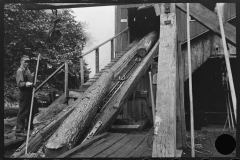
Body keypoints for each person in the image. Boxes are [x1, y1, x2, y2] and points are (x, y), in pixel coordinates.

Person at [15, 55, 39, 136]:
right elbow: (19, 84)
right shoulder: (20, 71)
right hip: (24, 94)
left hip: (30, 93)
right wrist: (27, 83)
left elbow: (31, 80)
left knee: (32, 111)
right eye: (25, 61)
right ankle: (19, 130)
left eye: (28, 61)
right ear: (21, 61)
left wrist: (32, 77)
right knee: (23, 112)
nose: (27, 63)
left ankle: (29, 127)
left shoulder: (27, 70)